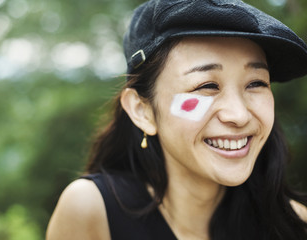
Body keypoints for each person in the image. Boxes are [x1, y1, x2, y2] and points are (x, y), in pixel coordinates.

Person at [46, 0, 307, 239]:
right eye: (206, 85)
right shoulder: (91, 209)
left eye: (256, 83)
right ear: (142, 111)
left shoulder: (293, 224)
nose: (238, 115)